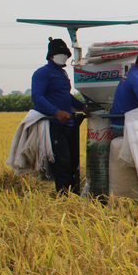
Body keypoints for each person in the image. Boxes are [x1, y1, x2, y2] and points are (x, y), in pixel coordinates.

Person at [31, 38, 92, 195]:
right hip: (54, 124)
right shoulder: (42, 73)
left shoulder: (63, 74)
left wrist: (83, 107)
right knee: (62, 162)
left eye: (65, 54)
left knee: (72, 162)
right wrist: (56, 112)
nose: (63, 57)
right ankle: (64, 196)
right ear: (51, 56)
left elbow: (67, 96)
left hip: (69, 124)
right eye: (60, 54)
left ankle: (73, 193)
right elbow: (37, 97)